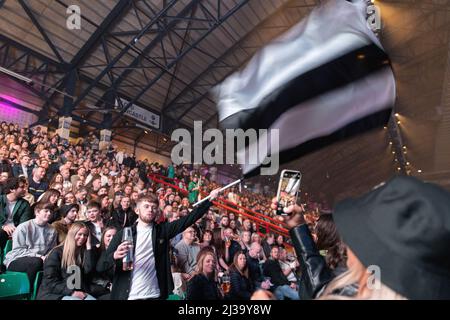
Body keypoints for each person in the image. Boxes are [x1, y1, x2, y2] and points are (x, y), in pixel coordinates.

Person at [97, 188, 220, 300]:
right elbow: (100, 266)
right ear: (137, 210)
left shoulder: (162, 231)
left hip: (155, 294)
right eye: (146, 206)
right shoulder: (123, 234)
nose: (150, 209)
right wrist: (114, 255)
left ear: (157, 212)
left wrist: (209, 200)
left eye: (154, 207)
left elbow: (187, 220)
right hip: (129, 295)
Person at [38, 222, 97, 300]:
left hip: (74, 292)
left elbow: (88, 272)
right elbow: (50, 282)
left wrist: (89, 247)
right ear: (72, 234)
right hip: (52, 294)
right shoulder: (56, 253)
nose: (83, 237)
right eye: (79, 234)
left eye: (85, 235)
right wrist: (72, 292)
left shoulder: (82, 253)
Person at [4, 202, 58, 287]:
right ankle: (25, 291)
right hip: (17, 259)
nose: (49, 214)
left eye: (51, 212)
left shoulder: (52, 230)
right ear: (37, 212)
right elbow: (18, 250)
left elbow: (52, 250)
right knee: (36, 261)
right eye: (46, 211)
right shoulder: (23, 227)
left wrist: (49, 257)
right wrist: (39, 256)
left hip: (41, 260)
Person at [0, 177, 33, 250]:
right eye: (22, 187)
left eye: (25, 187)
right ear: (12, 189)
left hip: (16, 230)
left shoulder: (25, 204)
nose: (25, 189)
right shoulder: (1, 199)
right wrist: (3, 226)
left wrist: (17, 230)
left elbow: (24, 223)